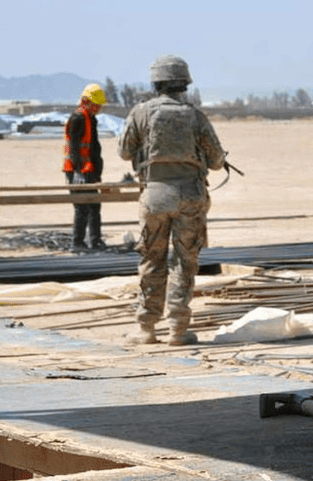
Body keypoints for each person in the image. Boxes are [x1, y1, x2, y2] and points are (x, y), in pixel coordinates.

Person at [118, 55, 227, 346]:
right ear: (184, 84)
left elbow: (125, 152)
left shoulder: (140, 113)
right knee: (185, 261)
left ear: (156, 82)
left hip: (154, 195)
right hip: (190, 196)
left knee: (151, 259)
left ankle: (146, 328)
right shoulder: (195, 116)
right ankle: (178, 330)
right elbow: (216, 161)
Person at [63, 83, 108, 251]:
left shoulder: (91, 119)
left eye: (99, 106)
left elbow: (94, 147)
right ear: (85, 101)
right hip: (77, 170)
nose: (98, 108)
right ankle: (78, 243)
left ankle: (95, 241)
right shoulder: (77, 118)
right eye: (96, 105)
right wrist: (77, 170)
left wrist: (97, 172)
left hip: (89, 170)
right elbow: (74, 146)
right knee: (81, 206)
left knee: (94, 204)